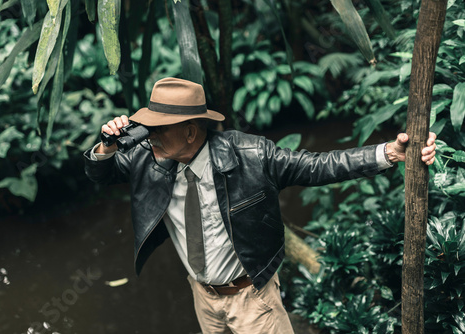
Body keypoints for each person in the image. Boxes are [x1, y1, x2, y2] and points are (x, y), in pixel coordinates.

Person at [84, 77, 436, 333]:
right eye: (150, 125)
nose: (150, 134)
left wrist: (389, 152)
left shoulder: (252, 154)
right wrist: (106, 146)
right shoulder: (149, 156)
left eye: (160, 127)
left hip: (253, 297)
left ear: (191, 131)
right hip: (202, 295)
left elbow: (317, 166)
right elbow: (100, 173)